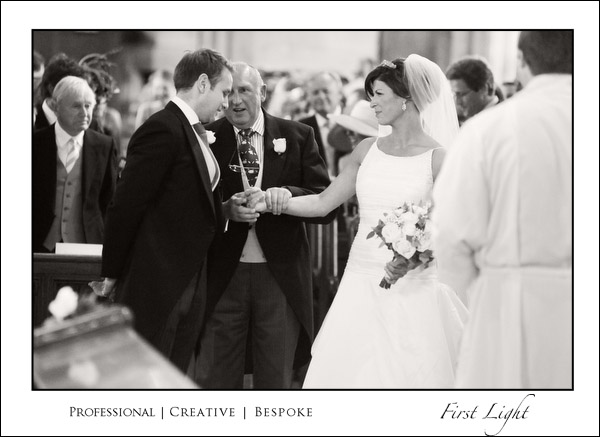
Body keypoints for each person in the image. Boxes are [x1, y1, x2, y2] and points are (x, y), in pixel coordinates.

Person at [251, 55, 468, 388]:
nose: (371, 103)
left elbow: (449, 229)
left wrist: (416, 256)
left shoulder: (438, 158)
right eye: (370, 95)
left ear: (406, 98)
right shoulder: (367, 150)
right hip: (359, 279)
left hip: (412, 286)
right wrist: (271, 201)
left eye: (379, 94)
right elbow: (322, 203)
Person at [432, 31, 573, 389]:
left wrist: (477, 292)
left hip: (512, 301)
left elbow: (451, 234)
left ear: (521, 60)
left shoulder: (488, 129)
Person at [91, 49, 233, 373]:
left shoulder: (193, 130)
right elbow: (126, 204)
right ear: (202, 84)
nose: (226, 102)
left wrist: (226, 211)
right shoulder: (162, 128)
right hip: (159, 279)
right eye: (224, 92)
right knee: (149, 376)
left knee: (174, 375)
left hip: (192, 275)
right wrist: (112, 272)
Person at [195, 62, 335, 389]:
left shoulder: (298, 135)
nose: (235, 101)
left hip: (279, 276)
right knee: (216, 377)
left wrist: (288, 195)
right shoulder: (206, 138)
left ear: (263, 92)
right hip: (223, 274)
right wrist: (224, 211)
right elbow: (189, 204)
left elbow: (325, 203)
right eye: (229, 92)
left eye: (244, 90)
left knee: (275, 378)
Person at [33, 76, 118, 253]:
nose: (84, 113)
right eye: (76, 106)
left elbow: (109, 200)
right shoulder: (35, 144)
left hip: (87, 245)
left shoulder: (104, 146)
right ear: (56, 107)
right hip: (39, 243)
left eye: (88, 106)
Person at [299, 71, 348, 177]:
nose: (321, 96)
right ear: (308, 97)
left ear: (340, 94)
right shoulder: (300, 128)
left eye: (326, 91)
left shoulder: (352, 123)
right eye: (315, 92)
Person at [34, 53, 86, 131]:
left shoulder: (89, 123)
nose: (78, 96)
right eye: (71, 90)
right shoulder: (34, 122)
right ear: (52, 89)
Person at [445, 56, 501, 125]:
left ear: (483, 89)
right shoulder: (471, 119)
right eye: (454, 94)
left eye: (461, 94)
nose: (457, 102)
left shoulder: (502, 119)